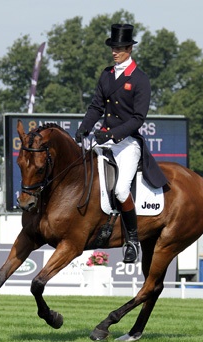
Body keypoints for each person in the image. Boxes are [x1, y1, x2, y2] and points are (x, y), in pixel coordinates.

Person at [75, 24, 167, 264]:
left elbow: (138, 119)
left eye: (118, 48)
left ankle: (132, 241)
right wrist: (84, 127)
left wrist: (113, 134)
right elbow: (96, 106)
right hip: (103, 139)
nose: (114, 52)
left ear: (129, 49)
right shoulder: (107, 74)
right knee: (82, 175)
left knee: (120, 190)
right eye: (113, 48)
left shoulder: (139, 79)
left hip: (127, 143)